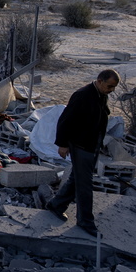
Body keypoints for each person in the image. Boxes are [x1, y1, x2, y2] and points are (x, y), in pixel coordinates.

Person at [44, 69, 120, 237]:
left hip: (92, 144)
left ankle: (56, 205)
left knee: (76, 179)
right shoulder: (82, 95)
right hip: (80, 145)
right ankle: (85, 221)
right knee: (85, 184)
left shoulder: (101, 94)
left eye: (113, 87)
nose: (111, 90)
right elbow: (65, 120)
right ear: (100, 81)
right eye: (109, 86)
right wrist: (62, 144)